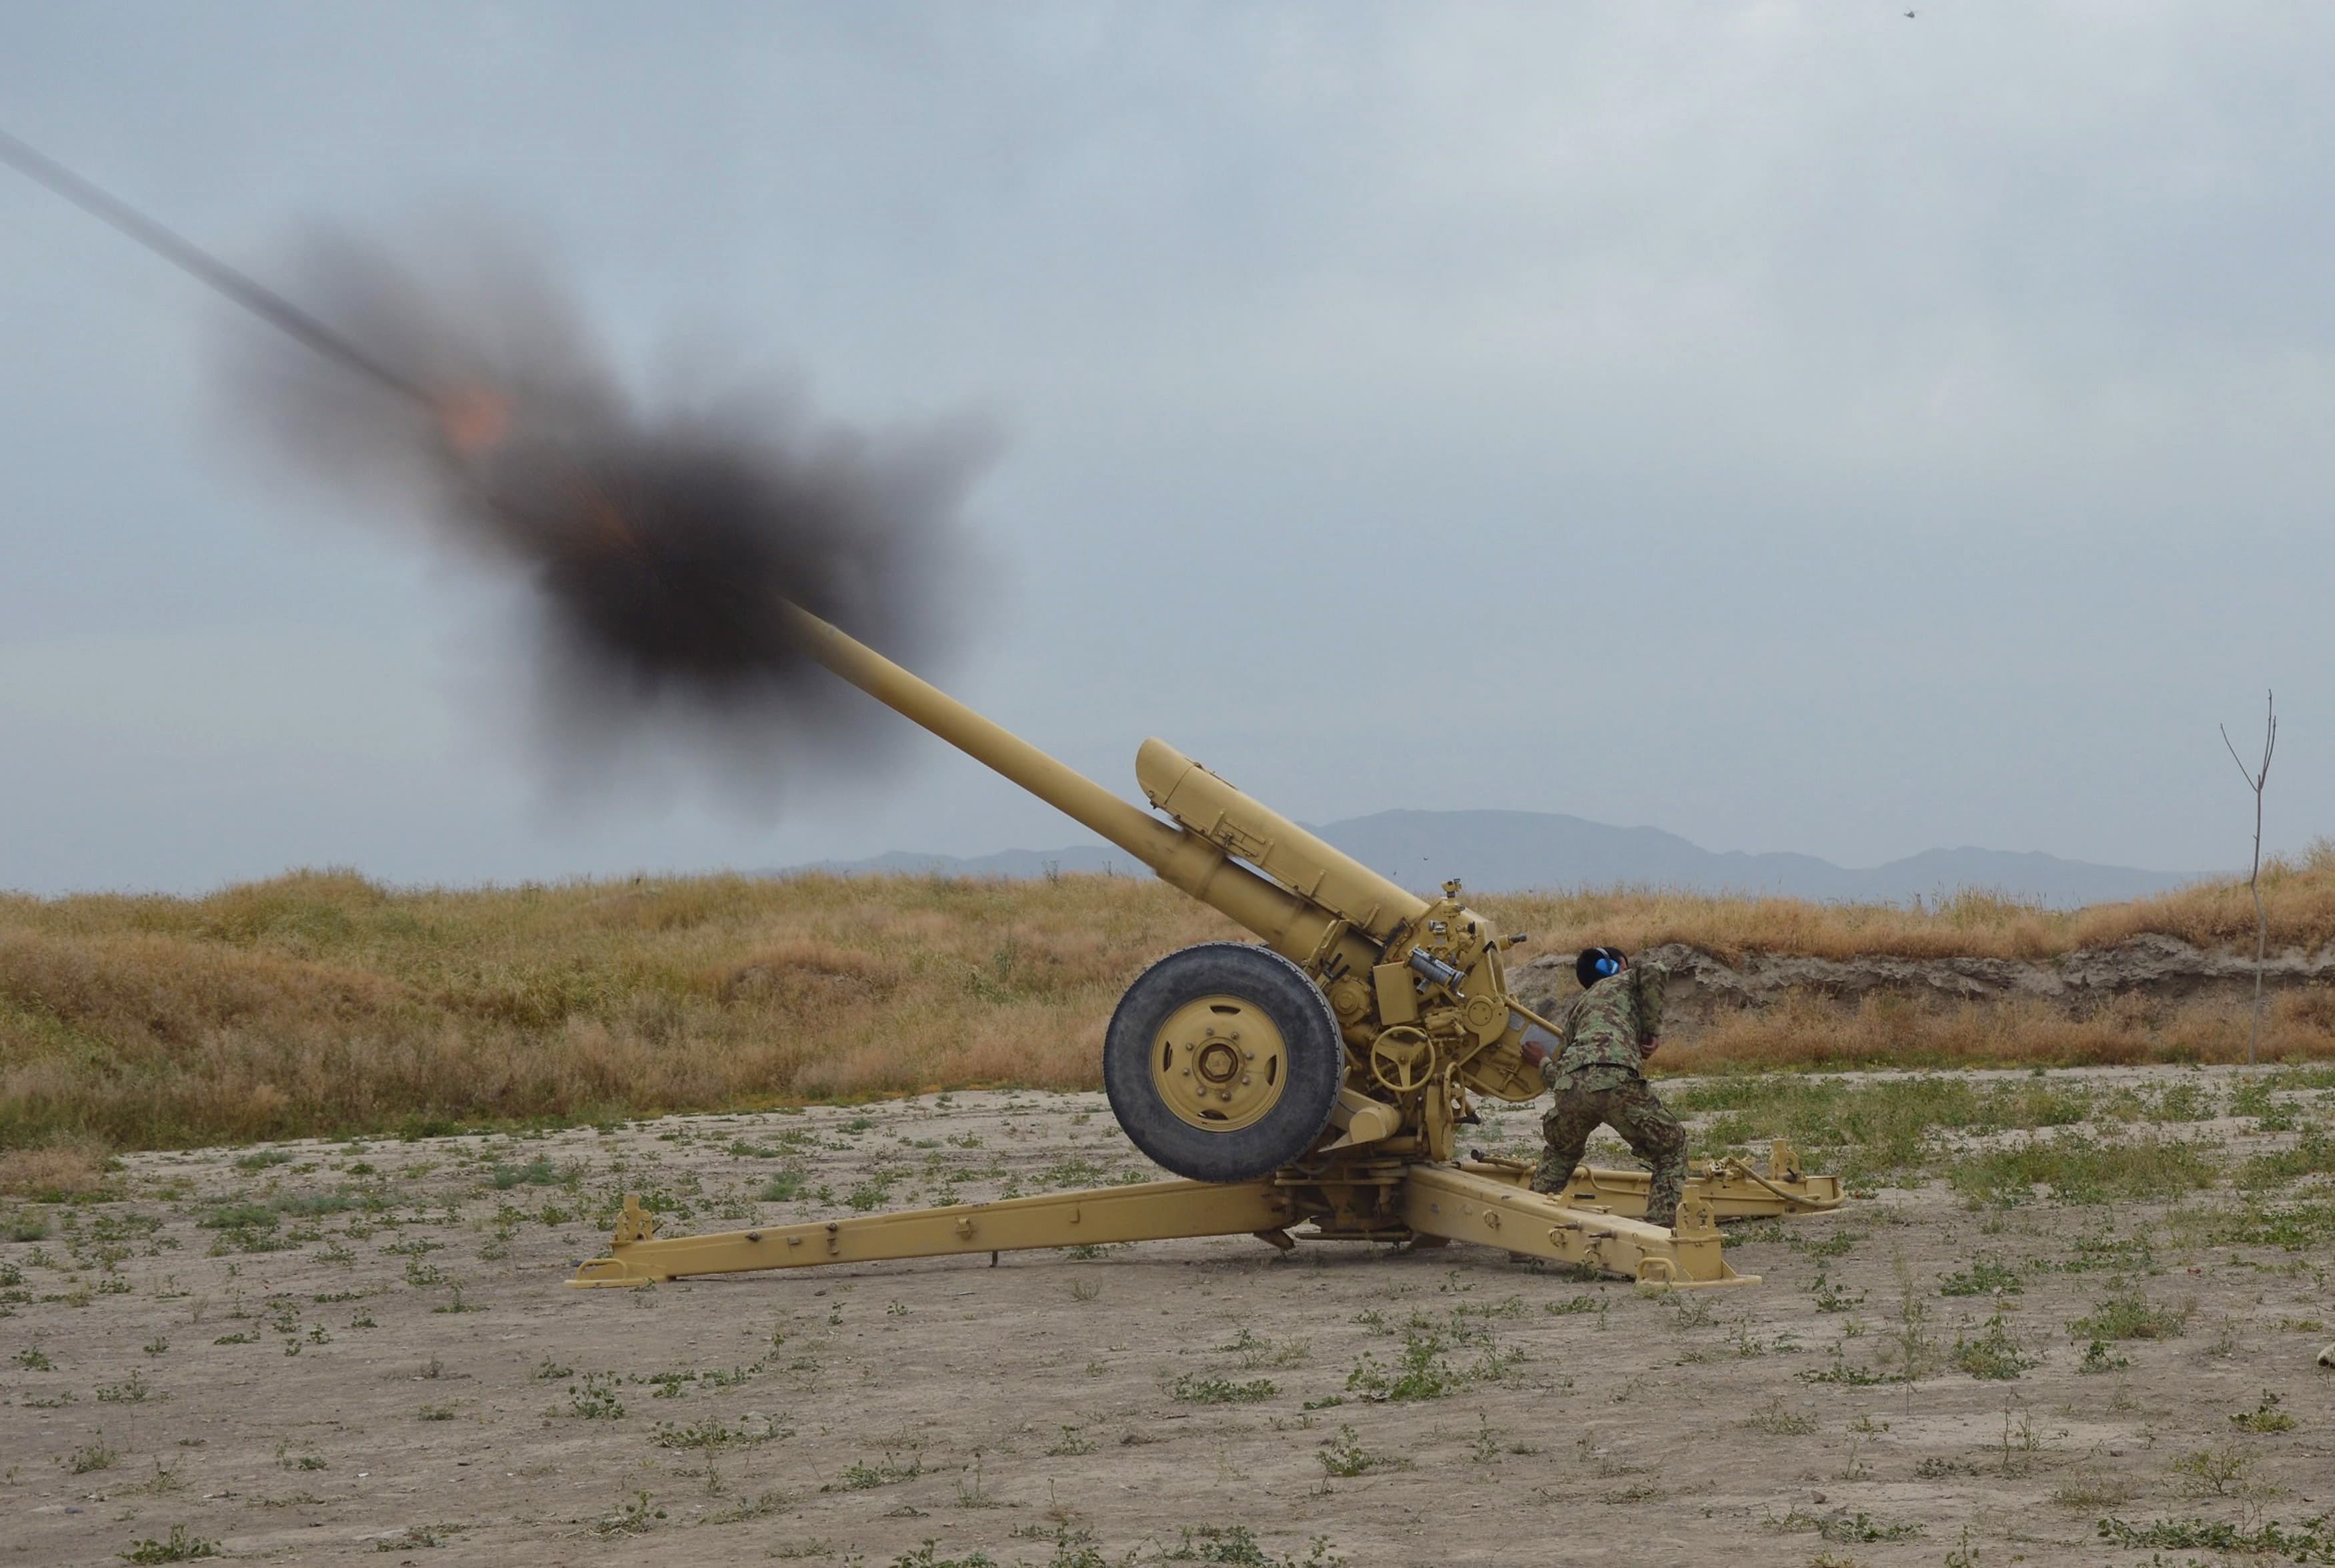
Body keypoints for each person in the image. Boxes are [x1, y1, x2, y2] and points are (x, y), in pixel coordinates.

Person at [1518, 945, 1688, 1230]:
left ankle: (1525, 1233)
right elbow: (1655, 971)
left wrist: (1543, 1062)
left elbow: (1561, 1074)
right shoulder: (1624, 979)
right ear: (1613, 967)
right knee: (1671, 1148)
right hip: (1615, 1080)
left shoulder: (1578, 1011)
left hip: (1573, 1088)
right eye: (1624, 964)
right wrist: (1652, 1031)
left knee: (1561, 1155)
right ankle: (1660, 1232)